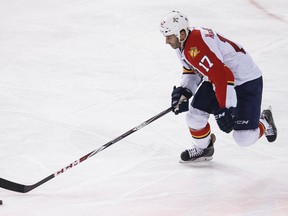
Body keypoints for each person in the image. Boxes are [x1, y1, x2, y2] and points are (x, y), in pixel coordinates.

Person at [159, 11, 277, 162]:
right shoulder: (183, 44)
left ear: (181, 33)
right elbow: (193, 70)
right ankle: (204, 148)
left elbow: (223, 75)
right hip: (220, 80)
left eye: (169, 37)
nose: (167, 41)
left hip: (246, 81)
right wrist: (184, 92)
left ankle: (265, 121)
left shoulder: (196, 44)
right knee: (194, 118)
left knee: (244, 138)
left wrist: (224, 108)